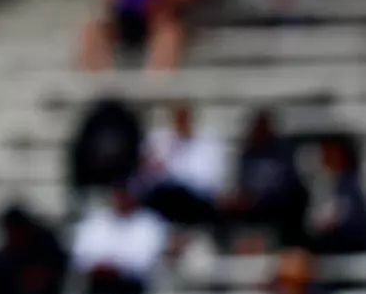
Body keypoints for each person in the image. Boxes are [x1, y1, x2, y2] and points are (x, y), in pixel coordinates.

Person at [69, 187, 166, 294]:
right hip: (97, 279)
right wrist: (102, 265)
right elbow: (81, 255)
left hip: (131, 282)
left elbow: (144, 260)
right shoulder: (96, 220)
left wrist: (117, 265)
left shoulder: (148, 223)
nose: (121, 201)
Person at [220, 109, 307, 250]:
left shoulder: (283, 152)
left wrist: (259, 199)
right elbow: (242, 185)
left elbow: (288, 185)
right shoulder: (247, 154)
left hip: (277, 209)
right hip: (251, 211)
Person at [138, 102, 225, 229]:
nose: (181, 123)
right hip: (167, 195)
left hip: (195, 198)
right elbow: (150, 174)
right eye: (178, 118)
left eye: (184, 118)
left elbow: (208, 182)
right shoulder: (163, 141)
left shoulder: (207, 145)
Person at [303, 140, 366, 256]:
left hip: (354, 254)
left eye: (328, 152)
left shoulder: (353, 182)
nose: (323, 156)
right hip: (329, 254)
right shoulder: (323, 182)